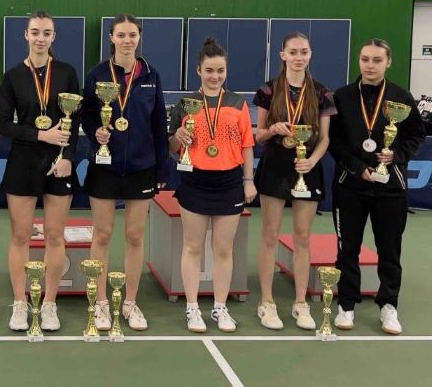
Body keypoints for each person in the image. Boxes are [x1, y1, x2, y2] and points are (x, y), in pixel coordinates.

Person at [328, 38, 425, 335]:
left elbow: (416, 135)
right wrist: (358, 168)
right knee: (347, 249)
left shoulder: (401, 97)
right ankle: (347, 305)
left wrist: (396, 155)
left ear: (388, 62)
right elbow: (334, 142)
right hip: (350, 186)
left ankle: (388, 305)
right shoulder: (342, 96)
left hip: (390, 188)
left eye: (377, 60)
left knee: (390, 250)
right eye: (365, 59)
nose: (370, 65)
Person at [80, 14, 169, 332]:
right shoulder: (97, 74)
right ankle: (100, 302)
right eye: (121, 35)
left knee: (134, 236)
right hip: (105, 165)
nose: (127, 40)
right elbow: (87, 115)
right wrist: (96, 133)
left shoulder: (151, 75)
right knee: (102, 234)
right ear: (111, 38)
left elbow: (159, 124)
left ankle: (130, 302)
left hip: (142, 168)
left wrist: (162, 166)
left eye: (132, 35)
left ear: (139, 37)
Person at [0, 11, 81, 332]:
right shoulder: (12, 76)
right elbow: (4, 125)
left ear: (53, 37)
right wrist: (41, 135)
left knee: (54, 236)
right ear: (26, 35)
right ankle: (20, 303)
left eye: (46, 33)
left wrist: (69, 157)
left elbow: (75, 122)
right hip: (23, 162)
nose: (40, 38)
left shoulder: (67, 73)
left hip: (59, 163)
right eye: (35, 32)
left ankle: (49, 304)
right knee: (20, 236)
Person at [169, 37, 256, 333]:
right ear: (198, 70)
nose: (215, 76)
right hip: (195, 180)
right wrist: (178, 137)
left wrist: (248, 181)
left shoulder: (237, 103)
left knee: (223, 249)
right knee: (192, 246)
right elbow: (171, 145)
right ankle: (192, 308)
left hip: (229, 182)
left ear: (226, 71)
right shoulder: (185, 104)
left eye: (220, 70)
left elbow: (246, 145)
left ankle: (220, 307)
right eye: (209, 70)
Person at [253, 32, 335, 330]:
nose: (299, 57)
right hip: (275, 165)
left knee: (302, 236)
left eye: (304, 52)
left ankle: (301, 303)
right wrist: (273, 129)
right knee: (270, 234)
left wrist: (313, 160)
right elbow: (258, 135)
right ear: (282, 55)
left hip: (307, 167)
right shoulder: (267, 90)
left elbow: (324, 138)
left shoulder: (323, 93)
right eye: (293, 52)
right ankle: (267, 302)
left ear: (310, 54)